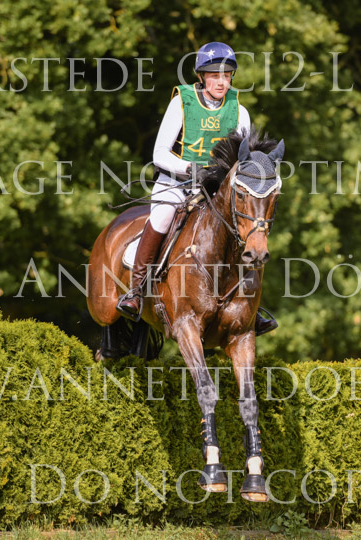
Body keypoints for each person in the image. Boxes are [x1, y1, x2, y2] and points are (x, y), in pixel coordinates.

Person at [116, 41, 278, 336]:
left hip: (215, 191)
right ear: (202, 76)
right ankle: (136, 291)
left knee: (243, 227)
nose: (221, 82)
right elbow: (159, 154)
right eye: (215, 75)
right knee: (162, 217)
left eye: (226, 75)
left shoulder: (239, 111)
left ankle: (250, 308)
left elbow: (243, 161)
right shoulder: (182, 103)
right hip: (176, 183)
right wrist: (190, 169)